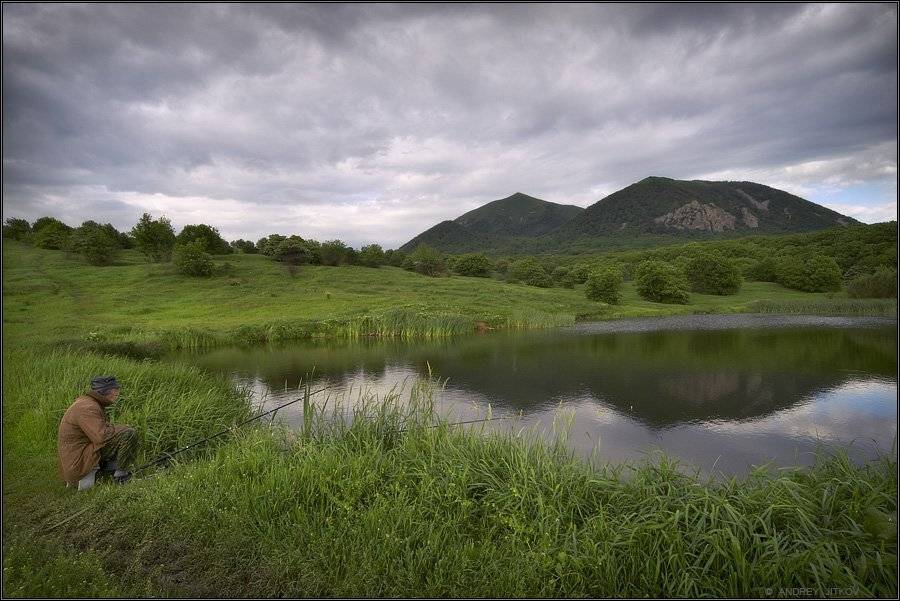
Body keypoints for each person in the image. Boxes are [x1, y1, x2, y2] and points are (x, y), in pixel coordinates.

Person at [58, 376, 138, 491]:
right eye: (115, 392)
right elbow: (101, 437)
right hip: (78, 460)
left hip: (77, 454)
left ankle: (112, 470)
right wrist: (123, 428)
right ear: (106, 392)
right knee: (129, 434)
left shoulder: (87, 402)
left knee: (122, 433)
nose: (117, 395)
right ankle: (121, 477)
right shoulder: (88, 407)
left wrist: (116, 428)